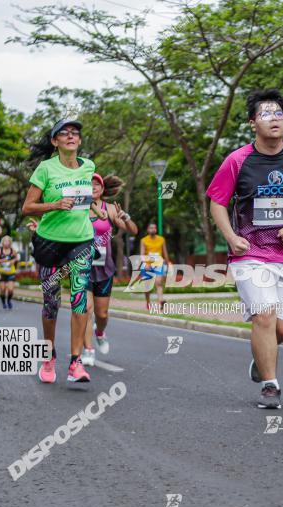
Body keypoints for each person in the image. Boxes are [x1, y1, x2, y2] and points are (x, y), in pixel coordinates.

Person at [207, 89, 283, 409]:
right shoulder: (237, 160)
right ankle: (270, 385)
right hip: (250, 252)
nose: (275, 120)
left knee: (281, 328)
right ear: (252, 123)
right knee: (264, 315)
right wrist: (230, 236)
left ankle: (261, 362)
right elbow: (217, 202)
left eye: (279, 114)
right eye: (267, 114)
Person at [22, 118, 102, 384]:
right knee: (51, 302)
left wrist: (95, 209)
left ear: (79, 141)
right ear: (55, 142)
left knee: (80, 298)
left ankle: (76, 362)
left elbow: (85, 200)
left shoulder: (89, 166)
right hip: (49, 242)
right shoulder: (45, 169)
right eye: (64, 133)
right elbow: (28, 207)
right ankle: (49, 357)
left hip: (81, 240)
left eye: (75, 133)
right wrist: (55, 205)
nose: (71, 136)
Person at [81, 173, 137, 366]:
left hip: (104, 268)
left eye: (98, 184)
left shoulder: (110, 208)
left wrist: (126, 218)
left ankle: (99, 332)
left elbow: (133, 230)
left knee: (101, 314)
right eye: (90, 184)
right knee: (86, 309)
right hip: (83, 266)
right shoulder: (80, 209)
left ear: (103, 189)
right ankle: (88, 350)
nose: (94, 187)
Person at [140, 223, 170, 312]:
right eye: (151, 228)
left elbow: (165, 252)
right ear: (148, 230)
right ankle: (148, 302)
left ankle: (160, 302)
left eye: (154, 228)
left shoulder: (161, 239)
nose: (153, 229)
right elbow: (142, 254)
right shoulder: (143, 240)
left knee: (159, 283)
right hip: (147, 266)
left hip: (158, 264)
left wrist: (168, 263)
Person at [0, 236, 19, 310]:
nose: (6, 243)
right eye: (5, 241)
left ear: (10, 242)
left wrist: (13, 261)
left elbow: (16, 258)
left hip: (11, 273)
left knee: (11, 289)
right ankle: (3, 302)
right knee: (2, 289)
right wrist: (3, 260)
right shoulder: (0, 250)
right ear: (3, 242)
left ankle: (8, 301)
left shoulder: (13, 251)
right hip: (1, 273)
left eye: (8, 241)